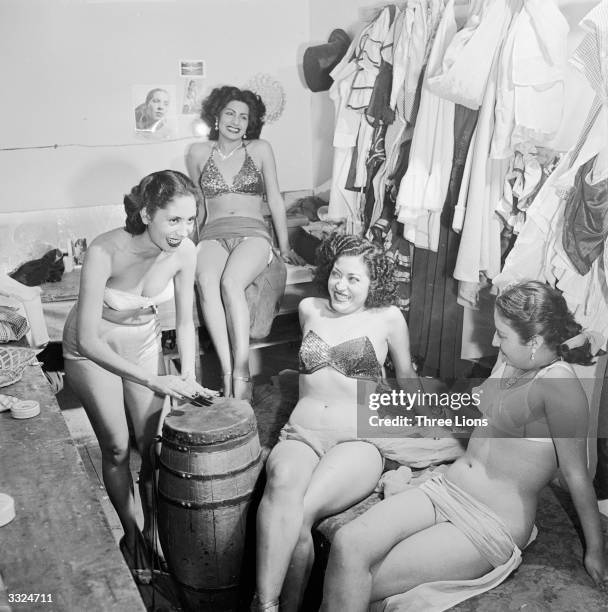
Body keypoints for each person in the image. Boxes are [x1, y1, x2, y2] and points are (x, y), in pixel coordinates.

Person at [320, 280, 607, 612]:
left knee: (363, 578)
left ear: (535, 342)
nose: (494, 340)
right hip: (445, 488)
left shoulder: (559, 385)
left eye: (502, 334)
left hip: (490, 522)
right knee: (347, 543)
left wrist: (595, 551)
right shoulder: (514, 362)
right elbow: (468, 411)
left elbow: (577, 476)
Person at [62, 170, 217, 579]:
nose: (183, 231)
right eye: (173, 220)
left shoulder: (186, 250)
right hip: (91, 351)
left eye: (190, 220)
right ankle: (130, 537)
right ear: (147, 213)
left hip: (142, 342)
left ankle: (152, 535)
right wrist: (155, 381)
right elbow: (88, 337)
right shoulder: (105, 250)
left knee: (152, 451)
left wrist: (186, 375)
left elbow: (185, 322)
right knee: (116, 448)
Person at [253, 234, 419, 612]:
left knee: (299, 513)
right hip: (301, 433)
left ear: (373, 284)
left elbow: (407, 378)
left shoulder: (388, 318)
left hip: (356, 441)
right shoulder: (310, 309)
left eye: (354, 280)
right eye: (337, 275)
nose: (341, 287)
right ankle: (265, 605)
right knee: (280, 485)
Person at [186, 85, 305, 400]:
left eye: (243, 116)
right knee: (205, 278)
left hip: (253, 231)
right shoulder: (197, 153)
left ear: (250, 123)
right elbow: (198, 207)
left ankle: (242, 373)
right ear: (216, 116)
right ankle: (228, 372)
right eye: (230, 113)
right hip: (212, 232)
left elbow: (276, 200)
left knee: (230, 282)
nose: (236, 121)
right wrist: (186, 247)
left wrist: (284, 245)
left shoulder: (260, 148)